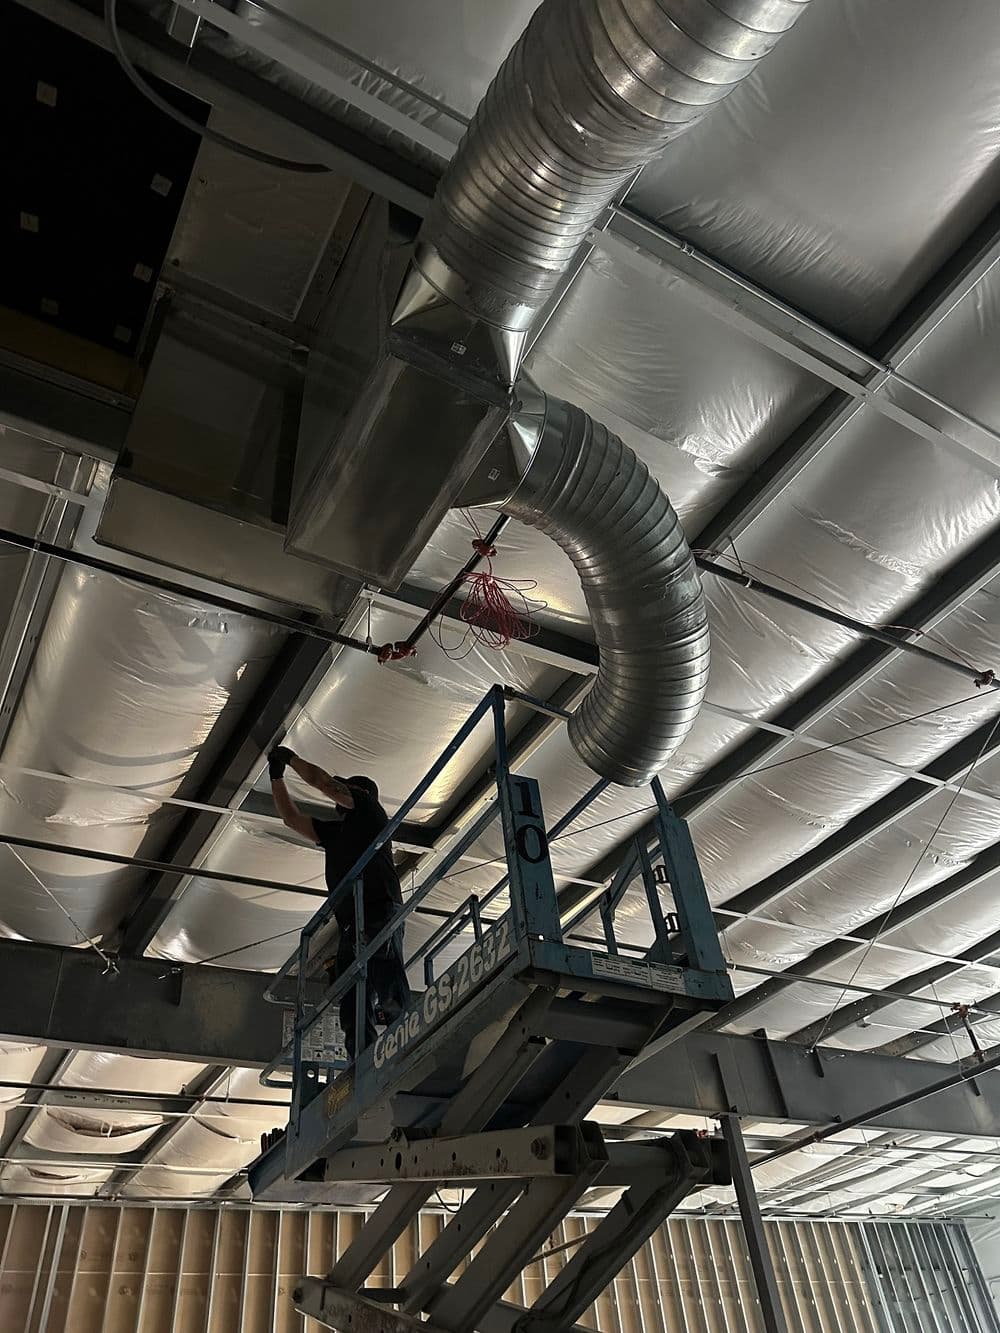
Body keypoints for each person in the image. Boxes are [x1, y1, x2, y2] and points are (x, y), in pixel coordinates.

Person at [268, 746, 411, 1061]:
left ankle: (409, 1037)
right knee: (353, 998)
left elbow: (324, 783)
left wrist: (289, 760)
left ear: (359, 794)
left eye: (345, 791)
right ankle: (362, 1061)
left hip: (378, 910)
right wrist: (276, 778)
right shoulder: (335, 832)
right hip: (352, 923)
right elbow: (292, 819)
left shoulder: (369, 810)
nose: (336, 799)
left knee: (385, 979)